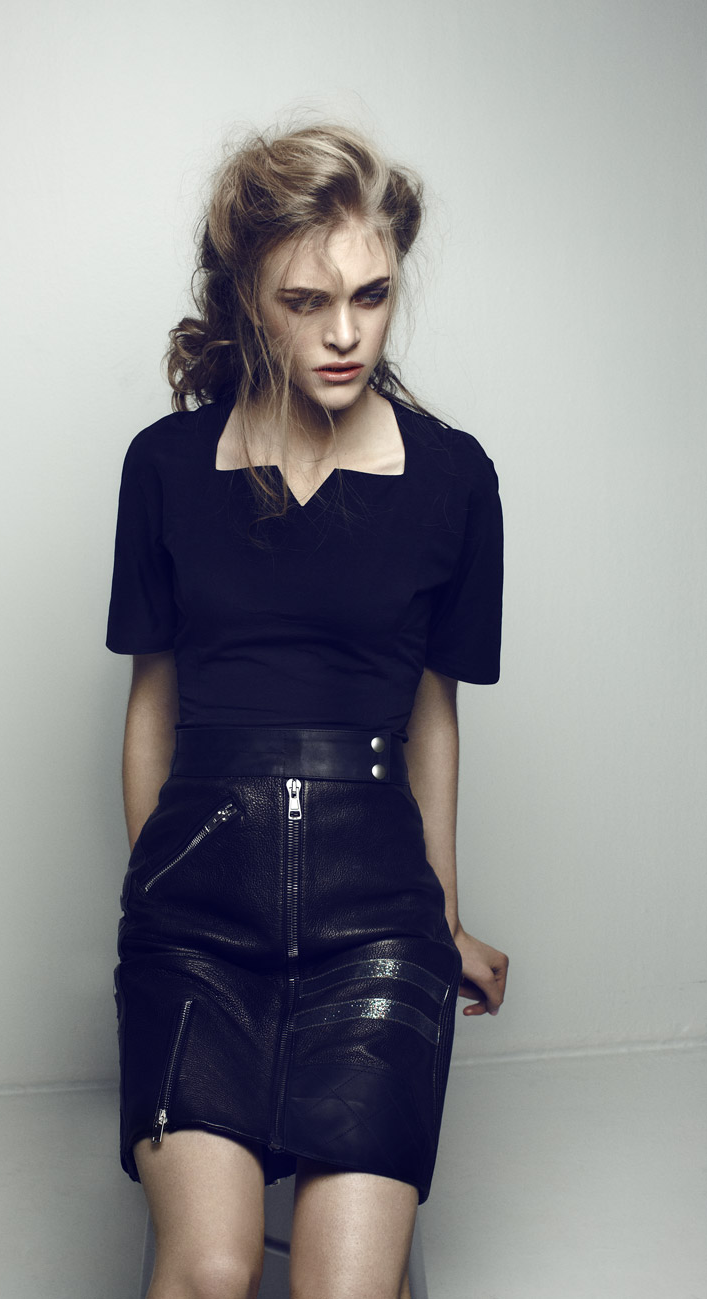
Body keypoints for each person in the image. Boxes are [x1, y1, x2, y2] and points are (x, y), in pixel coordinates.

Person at [107, 123, 509, 1299]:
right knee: (211, 1269)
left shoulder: (453, 478)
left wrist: (442, 916)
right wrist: (156, 893)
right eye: (306, 300)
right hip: (194, 932)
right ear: (248, 298)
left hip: (376, 933)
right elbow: (151, 709)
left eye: (371, 296)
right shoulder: (164, 467)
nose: (344, 333)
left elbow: (431, 719)